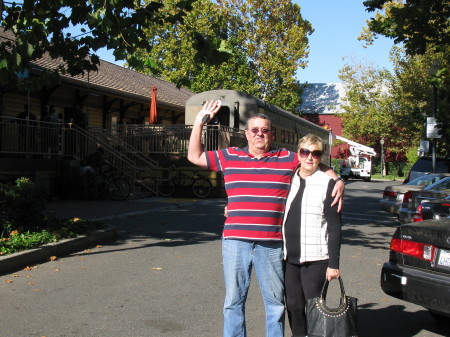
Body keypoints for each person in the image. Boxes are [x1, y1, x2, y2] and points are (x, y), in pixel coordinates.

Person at [187, 100, 344, 337]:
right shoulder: (229, 156)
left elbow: (313, 161)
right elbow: (194, 155)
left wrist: (338, 180)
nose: (259, 134)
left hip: (270, 245)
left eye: (264, 130)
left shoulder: (286, 158)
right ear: (247, 134)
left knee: (275, 305)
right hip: (235, 242)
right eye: (254, 130)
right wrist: (199, 122)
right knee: (233, 302)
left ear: (271, 134)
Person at [282, 134, 342, 337]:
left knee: (314, 308)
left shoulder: (328, 184)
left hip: (316, 259)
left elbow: (334, 226)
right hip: (288, 257)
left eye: (315, 153)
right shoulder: (288, 178)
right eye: (305, 152)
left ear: (321, 156)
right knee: (293, 306)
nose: (310, 157)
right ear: (298, 153)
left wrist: (333, 264)